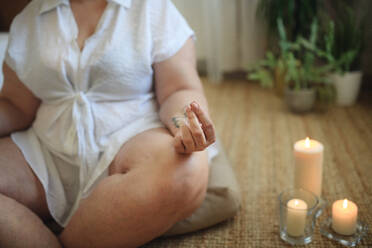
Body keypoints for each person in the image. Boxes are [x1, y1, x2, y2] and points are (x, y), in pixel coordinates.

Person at [0, 0, 217, 247]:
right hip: (47, 148)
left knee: (188, 170)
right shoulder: (29, 19)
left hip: (132, 136)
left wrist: (184, 124)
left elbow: (178, 88)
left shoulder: (152, 8)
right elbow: (16, 105)